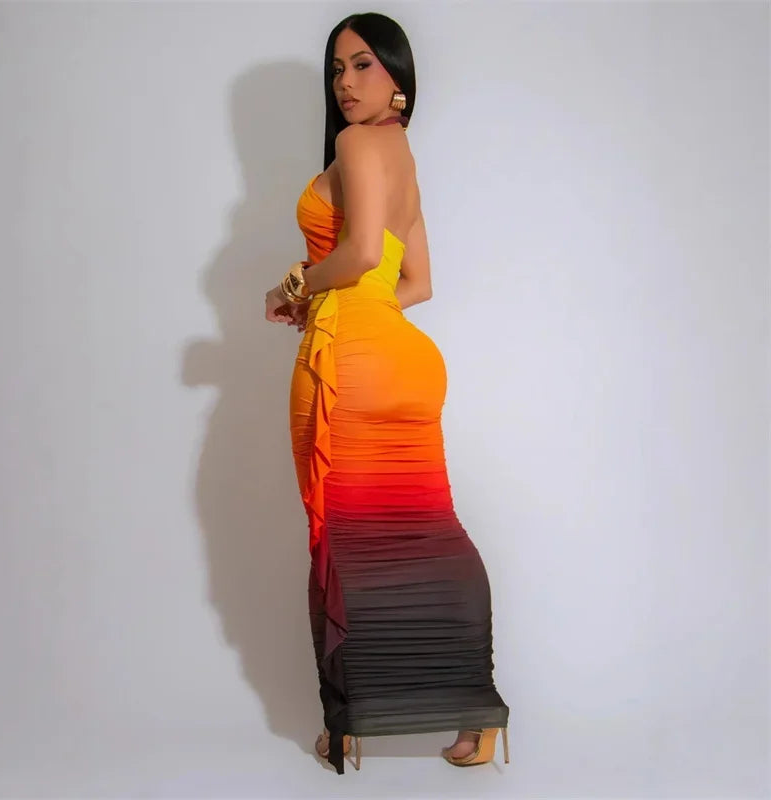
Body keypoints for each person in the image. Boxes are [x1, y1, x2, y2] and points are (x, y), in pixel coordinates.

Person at [264, 12, 510, 775]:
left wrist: (295, 289)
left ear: (398, 75)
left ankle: (349, 725)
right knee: (430, 531)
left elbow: (361, 253)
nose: (345, 82)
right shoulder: (402, 154)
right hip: (404, 360)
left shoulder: (354, 143)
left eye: (363, 64)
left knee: (342, 540)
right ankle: (477, 717)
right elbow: (415, 282)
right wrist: (342, 303)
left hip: (349, 361)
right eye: (337, 68)